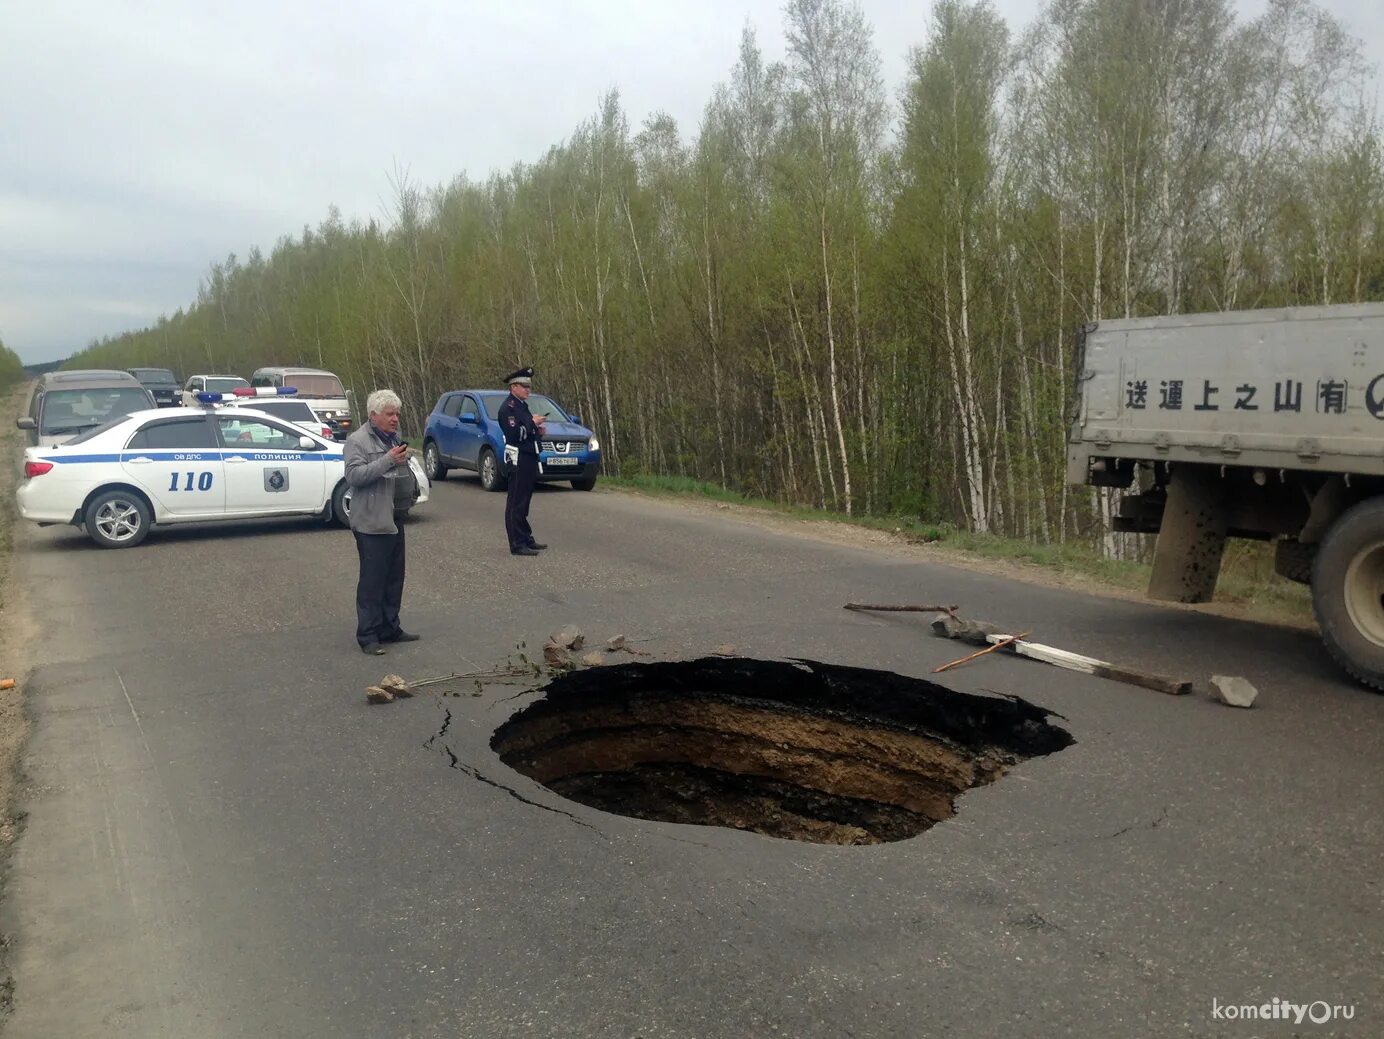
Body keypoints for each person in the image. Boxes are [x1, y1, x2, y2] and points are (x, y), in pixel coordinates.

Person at [344, 389, 420, 654]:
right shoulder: (358, 441)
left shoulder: (393, 438)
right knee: (372, 582)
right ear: (373, 415)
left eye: (397, 414)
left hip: (394, 517)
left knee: (393, 578)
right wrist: (388, 461)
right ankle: (368, 635)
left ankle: (390, 627)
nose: (395, 419)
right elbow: (354, 476)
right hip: (371, 521)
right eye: (389, 414)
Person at [500, 366, 548, 556]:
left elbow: (526, 430)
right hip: (518, 458)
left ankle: (526, 537)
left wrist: (538, 430)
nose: (528, 389)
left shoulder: (521, 406)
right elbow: (514, 434)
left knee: (525, 500)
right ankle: (517, 543)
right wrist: (532, 423)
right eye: (524, 386)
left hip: (529, 458)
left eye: (529, 386)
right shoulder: (508, 408)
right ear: (513, 387)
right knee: (516, 502)